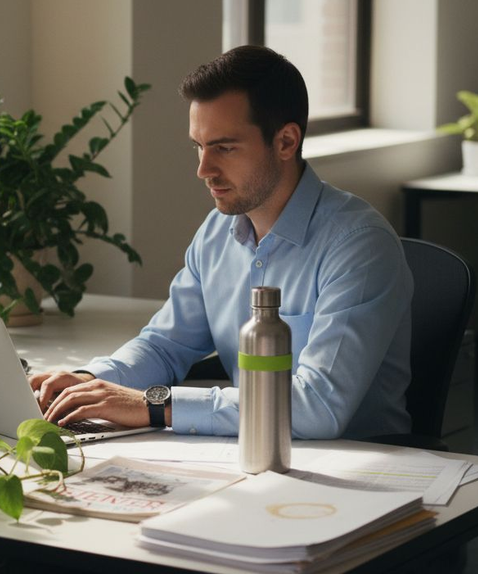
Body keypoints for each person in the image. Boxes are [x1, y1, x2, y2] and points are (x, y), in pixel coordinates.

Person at [29, 45, 413, 440]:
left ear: (285, 141)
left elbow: (318, 406)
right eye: (199, 146)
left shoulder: (360, 246)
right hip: (248, 452)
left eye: (224, 148)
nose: (203, 169)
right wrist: (86, 381)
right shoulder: (217, 232)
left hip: (362, 462)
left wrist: (154, 406)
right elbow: (164, 345)